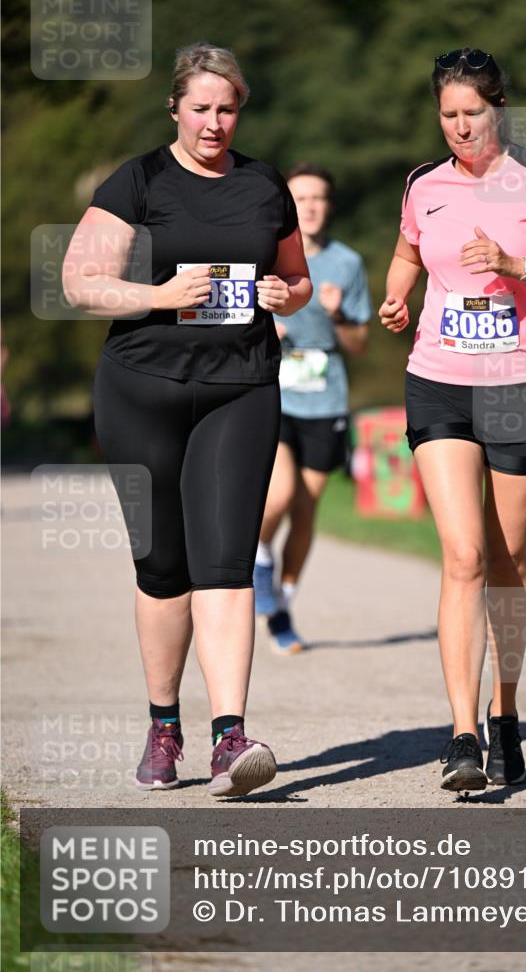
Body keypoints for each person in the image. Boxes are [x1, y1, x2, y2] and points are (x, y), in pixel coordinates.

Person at [62, 43, 311, 797]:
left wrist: (285, 297)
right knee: (163, 566)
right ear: (175, 108)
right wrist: (159, 295)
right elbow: (81, 282)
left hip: (240, 387)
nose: (213, 122)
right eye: (200, 108)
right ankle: (163, 727)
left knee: (226, 562)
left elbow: (297, 277)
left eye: (226, 108)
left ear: (241, 110)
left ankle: (229, 738)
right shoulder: (137, 180)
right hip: (142, 388)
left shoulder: (266, 184)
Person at [379, 48, 526, 793]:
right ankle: (462, 734)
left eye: (471, 112)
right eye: (447, 114)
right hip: (439, 379)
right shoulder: (422, 184)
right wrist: (396, 296)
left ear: (497, 109)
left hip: (521, 383)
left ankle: (506, 713)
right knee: (463, 555)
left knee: (507, 562)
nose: (459, 126)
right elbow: (407, 251)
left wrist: (518, 266)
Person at [252, 163, 371, 653]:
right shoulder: (268, 254)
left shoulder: (347, 262)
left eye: (320, 198)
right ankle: (257, 559)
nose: (312, 206)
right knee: (277, 495)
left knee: (306, 509)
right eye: (301, 199)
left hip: (326, 397)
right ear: (288, 206)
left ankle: (282, 605)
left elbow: (359, 342)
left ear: (330, 205)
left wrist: (340, 313)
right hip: (274, 393)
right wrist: (265, 330)